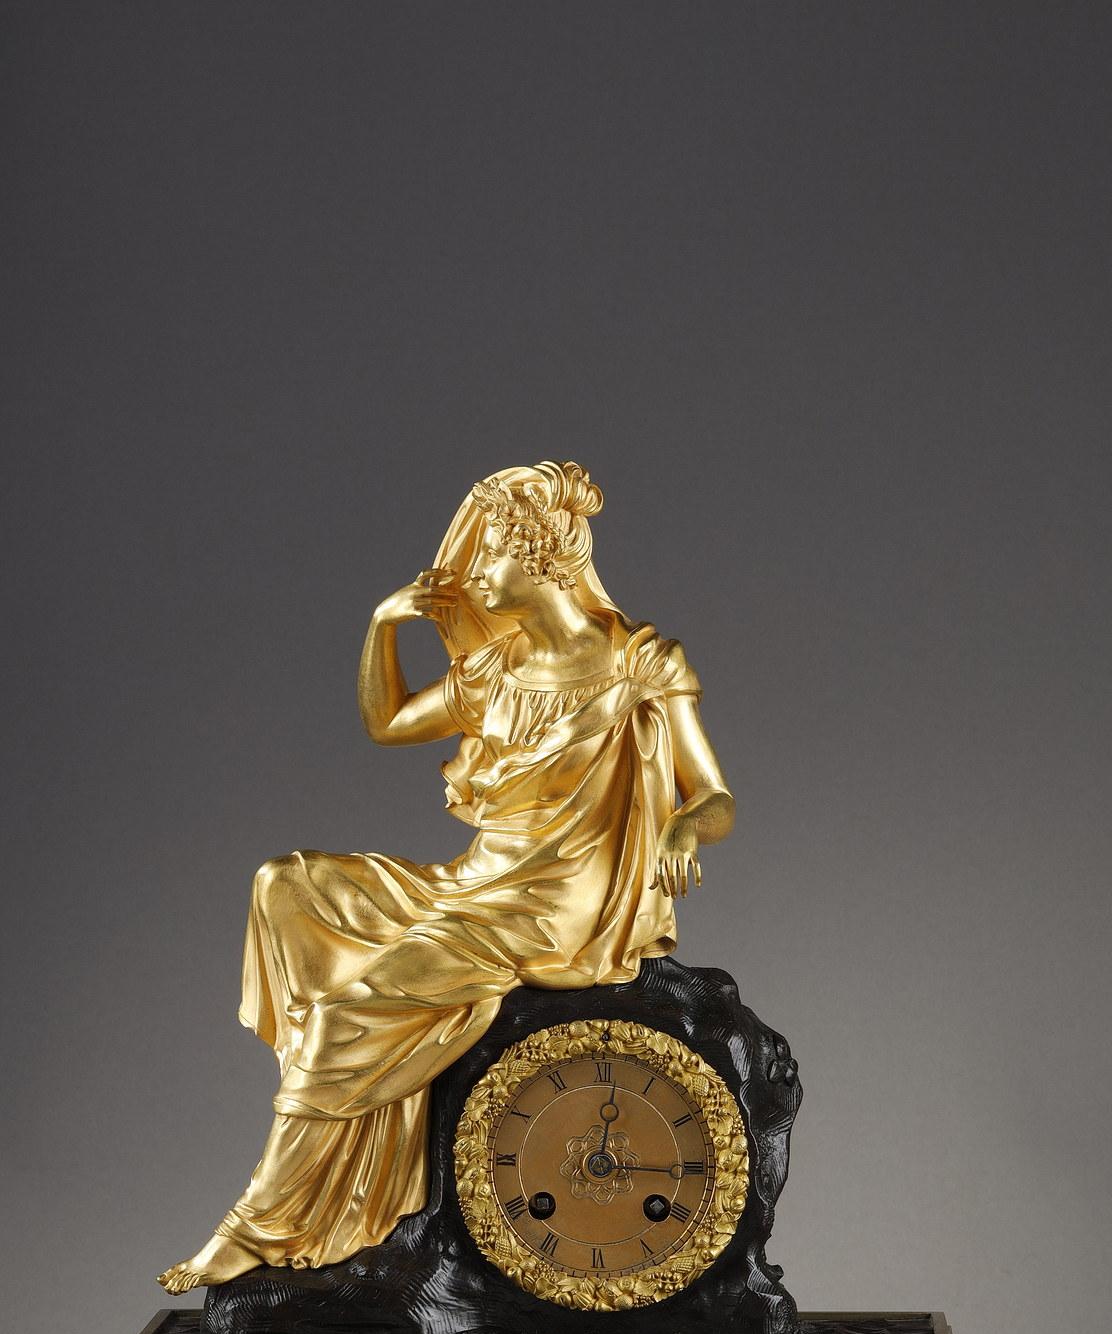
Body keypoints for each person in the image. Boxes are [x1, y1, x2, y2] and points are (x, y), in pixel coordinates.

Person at [158, 462, 734, 1291]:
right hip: (475, 883)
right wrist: (383, 623)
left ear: (541, 561)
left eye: (491, 553)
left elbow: (714, 795)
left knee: (346, 1014)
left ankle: (262, 1226)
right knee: (285, 885)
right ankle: (348, 1100)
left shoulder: (638, 665)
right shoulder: (494, 674)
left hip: (549, 911)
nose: (471, 574)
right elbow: (388, 722)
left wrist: (682, 825)